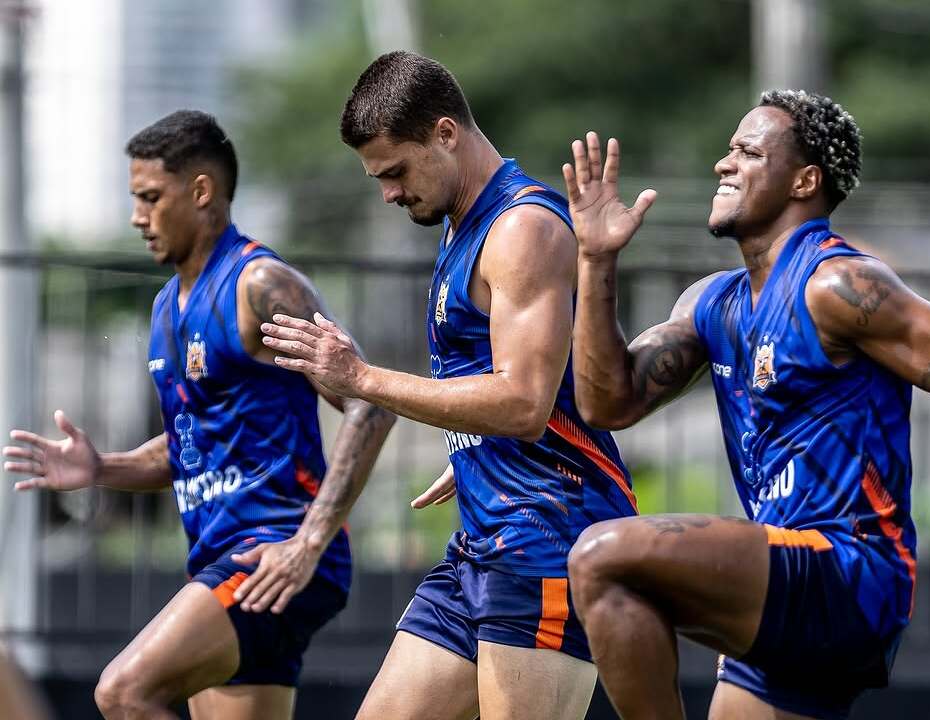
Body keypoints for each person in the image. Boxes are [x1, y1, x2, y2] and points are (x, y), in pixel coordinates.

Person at [559, 91, 930, 720]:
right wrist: (596, 257)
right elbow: (608, 402)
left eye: (748, 151)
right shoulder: (711, 304)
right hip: (787, 576)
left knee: (601, 559)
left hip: (848, 571)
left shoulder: (837, 284)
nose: (724, 164)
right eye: (727, 150)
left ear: (805, 180)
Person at [260, 51, 637, 720]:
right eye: (377, 178)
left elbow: (523, 403)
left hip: (546, 541)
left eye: (396, 172)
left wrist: (362, 378)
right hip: (482, 544)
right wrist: (471, 448)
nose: (390, 193)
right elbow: (519, 389)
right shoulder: (462, 225)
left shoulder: (521, 229)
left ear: (444, 134)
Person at [3, 110, 395, 720]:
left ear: (202, 192)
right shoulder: (165, 308)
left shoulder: (259, 283)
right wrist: (101, 465)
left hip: (273, 555)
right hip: (224, 562)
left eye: (150, 198)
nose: (138, 217)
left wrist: (308, 542)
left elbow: (368, 403)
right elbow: (188, 446)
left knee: (124, 692)